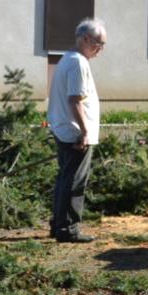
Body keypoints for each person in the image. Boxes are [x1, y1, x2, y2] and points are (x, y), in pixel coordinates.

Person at [47, 18, 106, 243]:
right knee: (74, 182)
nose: (100, 49)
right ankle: (68, 230)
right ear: (84, 39)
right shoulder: (78, 63)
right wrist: (84, 131)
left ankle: (58, 225)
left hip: (65, 130)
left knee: (64, 179)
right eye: (98, 43)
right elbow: (75, 101)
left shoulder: (67, 59)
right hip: (74, 133)